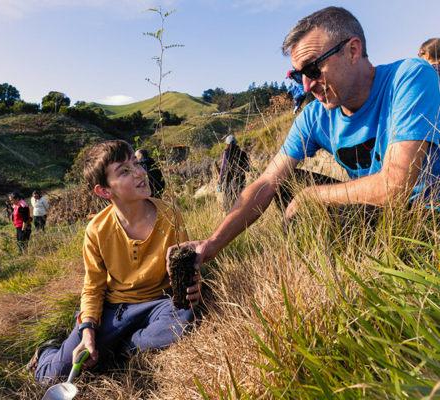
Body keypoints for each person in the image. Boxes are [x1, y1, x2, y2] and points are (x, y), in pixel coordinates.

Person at [168, 6, 440, 272]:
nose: (307, 87)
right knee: (286, 184)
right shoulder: (314, 116)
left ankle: (368, 266)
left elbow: (395, 187)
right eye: (298, 75)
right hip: (373, 211)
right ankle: (330, 269)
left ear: (353, 51)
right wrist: (213, 243)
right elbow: (265, 182)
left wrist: (312, 196)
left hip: (424, 215)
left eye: (313, 70)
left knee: (310, 199)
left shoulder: (410, 77)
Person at [27, 140, 201, 384]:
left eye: (137, 163)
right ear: (105, 191)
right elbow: (93, 287)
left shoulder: (170, 214)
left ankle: (121, 348)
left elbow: (181, 268)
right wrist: (88, 331)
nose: (140, 172)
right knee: (52, 377)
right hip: (114, 310)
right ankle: (47, 351)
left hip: (158, 304)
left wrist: (191, 284)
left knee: (186, 319)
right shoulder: (97, 229)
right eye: (125, 170)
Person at [218, 135, 250, 211]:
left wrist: (220, 181)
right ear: (236, 143)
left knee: (227, 206)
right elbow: (248, 169)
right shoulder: (243, 153)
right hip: (241, 182)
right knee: (241, 204)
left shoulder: (226, 154)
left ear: (227, 145)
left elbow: (224, 168)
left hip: (229, 182)